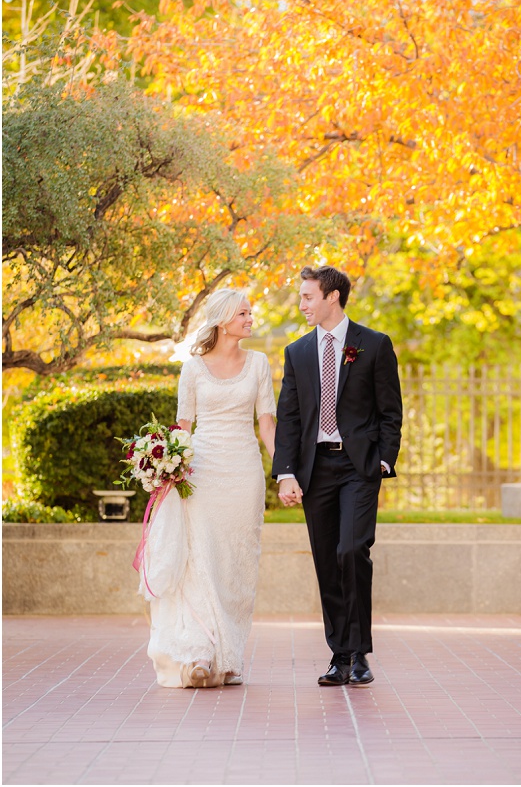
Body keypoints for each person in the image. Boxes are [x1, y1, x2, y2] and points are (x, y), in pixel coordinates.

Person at [272, 265, 403, 687]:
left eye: (308, 296)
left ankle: (360, 651)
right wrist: (286, 473)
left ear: (332, 297)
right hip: (315, 470)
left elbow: (390, 410)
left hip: (359, 467)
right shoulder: (297, 353)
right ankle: (339, 655)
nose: (302, 304)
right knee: (328, 562)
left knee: (351, 551)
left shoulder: (375, 345)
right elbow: (289, 419)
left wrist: (384, 458)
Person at [144, 288, 277, 688]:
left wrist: (285, 472)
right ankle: (201, 652)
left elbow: (266, 424)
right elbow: (183, 429)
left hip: (244, 472)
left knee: (236, 562)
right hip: (201, 471)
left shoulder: (259, 364)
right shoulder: (193, 369)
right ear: (222, 320)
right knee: (202, 558)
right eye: (243, 313)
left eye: (250, 313)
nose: (250, 319)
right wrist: (170, 468)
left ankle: (229, 654)